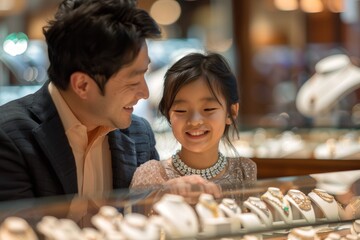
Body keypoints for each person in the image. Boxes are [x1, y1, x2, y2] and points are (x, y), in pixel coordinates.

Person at [0, 0, 162, 201]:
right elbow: (18, 230)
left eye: (145, 73)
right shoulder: (10, 136)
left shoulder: (140, 135)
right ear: (82, 85)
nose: (145, 93)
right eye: (132, 81)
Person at [130, 52, 257, 195]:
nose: (195, 121)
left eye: (208, 109)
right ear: (168, 114)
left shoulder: (244, 170)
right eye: (181, 110)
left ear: (231, 112)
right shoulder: (151, 175)